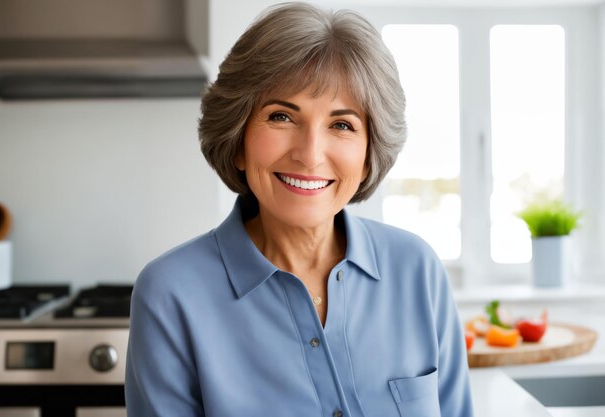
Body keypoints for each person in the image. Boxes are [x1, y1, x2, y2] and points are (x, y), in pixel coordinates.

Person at [125, 2, 474, 416]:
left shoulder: (417, 269)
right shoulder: (171, 294)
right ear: (238, 140)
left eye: (341, 124)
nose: (310, 155)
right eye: (281, 117)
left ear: (368, 155)